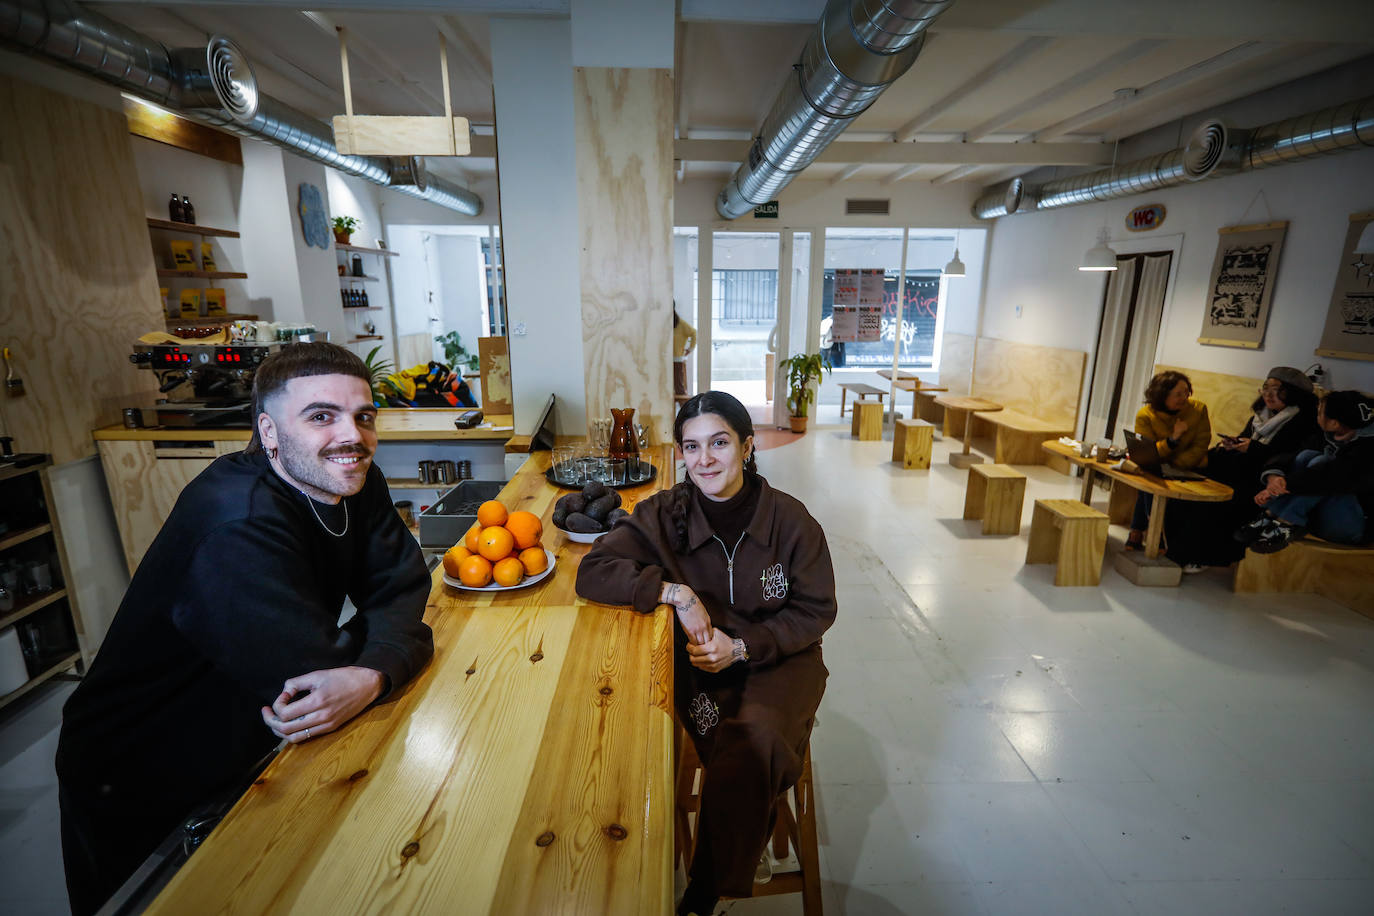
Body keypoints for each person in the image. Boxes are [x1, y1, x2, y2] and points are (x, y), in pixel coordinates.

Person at [56, 342, 434, 915]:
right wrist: (386, 657)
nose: (352, 436)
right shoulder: (235, 521)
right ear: (269, 430)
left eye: (363, 416)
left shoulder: (357, 477)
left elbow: (401, 588)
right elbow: (312, 681)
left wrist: (374, 670)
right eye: (320, 416)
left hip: (241, 728)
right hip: (137, 763)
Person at [575, 391, 835, 916]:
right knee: (737, 746)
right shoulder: (664, 515)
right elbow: (593, 571)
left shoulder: (791, 521)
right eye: (691, 447)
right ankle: (750, 825)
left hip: (780, 659)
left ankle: (703, 894)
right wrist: (677, 593)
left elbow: (815, 611)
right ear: (680, 454)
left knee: (755, 735)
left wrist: (741, 646)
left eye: (719, 443)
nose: (705, 460)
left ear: (746, 445)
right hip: (701, 668)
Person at [1166, 367, 1318, 570]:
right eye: (1266, 388)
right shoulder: (1260, 415)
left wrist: (1251, 448)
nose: (1268, 394)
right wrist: (1233, 444)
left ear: (1294, 394)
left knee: (1221, 497)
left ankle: (1201, 556)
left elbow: (1286, 458)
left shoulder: (1303, 422)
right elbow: (1247, 441)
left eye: (1277, 389)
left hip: (1264, 480)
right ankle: (1170, 546)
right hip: (1243, 467)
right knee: (1191, 481)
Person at [1235, 389, 1374, 553]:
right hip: (1317, 513)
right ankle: (1272, 514)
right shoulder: (1327, 435)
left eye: (1320, 412)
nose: (1317, 415)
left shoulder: (1367, 449)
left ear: (1335, 423)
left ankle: (1286, 522)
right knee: (1309, 456)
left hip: (1352, 525)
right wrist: (1274, 477)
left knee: (1322, 465)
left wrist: (1281, 486)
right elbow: (1292, 455)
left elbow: (1332, 477)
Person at [1126, 370, 1211, 550]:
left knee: (1151, 481)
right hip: (1157, 465)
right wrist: (1172, 440)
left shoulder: (1198, 409)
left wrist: (1174, 466)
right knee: (1150, 481)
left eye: (1186, 393)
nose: (1184, 398)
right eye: (1178, 394)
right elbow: (1148, 452)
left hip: (1191, 467)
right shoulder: (1146, 415)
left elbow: (1201, 445)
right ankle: (1154, 532)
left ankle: (1142, 531)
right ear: (1162, 394)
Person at [674, 308, 697, 397]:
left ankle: (684, 409)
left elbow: (694, 333)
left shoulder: (680, 323)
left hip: (677, 358)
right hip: (663, 359)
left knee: (679, 389)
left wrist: (690, 349)